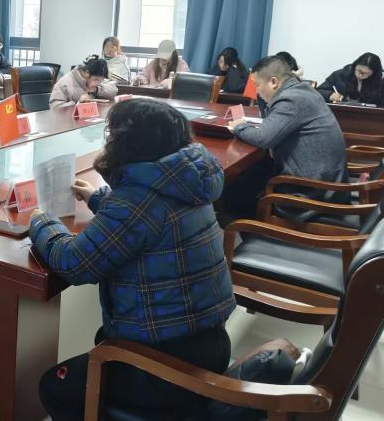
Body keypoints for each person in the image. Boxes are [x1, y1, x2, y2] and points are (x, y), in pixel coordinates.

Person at [31, 99, 235, 420]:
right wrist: (99, 198)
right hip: (210, 344)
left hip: (164, 364)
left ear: (129, 141)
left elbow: (73, 263)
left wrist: (41, 221)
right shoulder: (188, 179)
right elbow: (151, 218)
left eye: (111, 134)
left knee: (55, 388)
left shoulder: (137, 202)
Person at [228, 55, 347, 212]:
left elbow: (264, 138)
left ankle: (251, 225)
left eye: (257, 85)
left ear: (273, 82)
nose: (256, 91)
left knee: (235, 195)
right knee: (250, 176)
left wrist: (239, 127)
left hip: (311, 194)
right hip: (327, 183)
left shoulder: (291, 99)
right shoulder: (303, 91)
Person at [49, 56, 118, 109]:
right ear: (86, 73)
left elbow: (113, 91)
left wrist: (97, 90)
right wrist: (77, 104)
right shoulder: (65, 82)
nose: (97, 83)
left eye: (101, 80)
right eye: (95, 80)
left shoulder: (97, 77)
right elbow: (54, 106)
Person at [317, 52, 384, 107]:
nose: (360, 75)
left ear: (374, 73)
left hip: (368, 115)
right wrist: (329, 94)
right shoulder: (340, 75)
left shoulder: (379, 82)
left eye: (366, 73)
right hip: (341, 113)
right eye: (359, 71)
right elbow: (319, 91)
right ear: (355, 65)